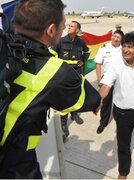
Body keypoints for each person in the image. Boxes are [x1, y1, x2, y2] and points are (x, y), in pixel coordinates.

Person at [0, 0, 101, 178]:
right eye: (63, 25)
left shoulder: (4, 48)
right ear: (51, 29)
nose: (64, 28)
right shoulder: (56, 71)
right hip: (14, 161)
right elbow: (91, 100)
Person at [97, 32, 134, 179]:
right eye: (124, 46)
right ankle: (123, 172)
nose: (125, 50)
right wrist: (98, 100)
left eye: (130, 47)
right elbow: (106, 86)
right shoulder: (116, 64)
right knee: (123, 145)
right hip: (122, 113)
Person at [51, 21, 91, 139]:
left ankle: (74, 115)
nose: (69, 27)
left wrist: (83, 61)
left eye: (72, 26)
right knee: (64, 98)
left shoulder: (81, 42)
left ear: (78, 30)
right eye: (69, 26)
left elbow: (87, 52)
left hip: (77, 74)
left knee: (76, 95)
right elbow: (51, 54)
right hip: (64, 75)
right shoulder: (61, 41)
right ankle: (63, 123)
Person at [95, 30, 124, 134]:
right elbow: (98, 64)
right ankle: (103, 122)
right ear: (112, 36)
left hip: (120, 78)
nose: (116, 39)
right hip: (107, 78)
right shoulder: (104, 48)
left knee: (120, 100)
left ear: (121, 40)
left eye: (118, 38)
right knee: (105, 102)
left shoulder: (124, 49)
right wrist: (99, 79)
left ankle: (119, 121)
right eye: (114, 36)